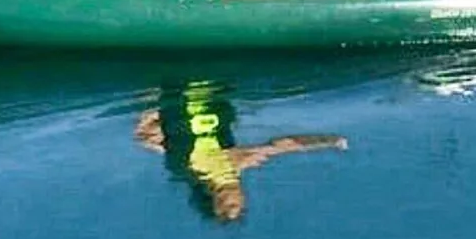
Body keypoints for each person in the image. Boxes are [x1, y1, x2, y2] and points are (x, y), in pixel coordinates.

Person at [135, 81, 347, 223]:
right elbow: (286, 145)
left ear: (214, 201)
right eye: (238, 206)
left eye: (227, 207)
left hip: (178, 89)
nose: (235, 201)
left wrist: (150, 111)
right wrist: (327, 141)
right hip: (209, 88)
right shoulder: (236, 162)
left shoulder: (187, 166)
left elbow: (285, 145)